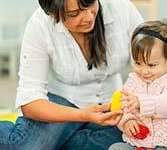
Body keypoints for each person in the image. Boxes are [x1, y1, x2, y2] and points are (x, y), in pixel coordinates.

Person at [0, 0, 143, 150]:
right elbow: (30, 102)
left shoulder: (121, 8)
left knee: (137, 141)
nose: (88, 17)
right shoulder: (40, 24)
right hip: (61, 107)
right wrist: (83, 115)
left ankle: (60, 143)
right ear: (54, 13)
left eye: (91, 5)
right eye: (74, 14)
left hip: (113, 105)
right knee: (24, 146)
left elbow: (152, 61)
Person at [109, 20, 167, 150]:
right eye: (138, 63)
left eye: (152, 65)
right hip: (139, 143)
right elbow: (123, 108)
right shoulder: (132, 82)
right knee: (115, 148)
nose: (144, 71)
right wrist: (127, 121)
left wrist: (141, 102)